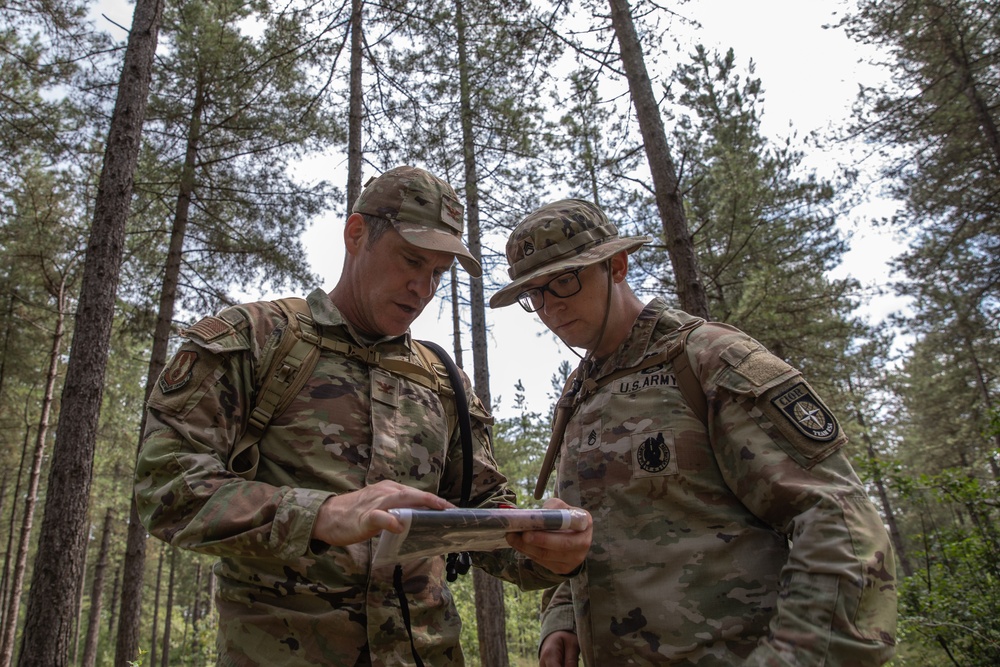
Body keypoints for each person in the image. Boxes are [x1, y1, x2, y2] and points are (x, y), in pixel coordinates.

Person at [134, 167, 592, 667]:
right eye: (411, 259)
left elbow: (483, 519)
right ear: (356, 234)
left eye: (438, 273)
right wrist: (322, 515)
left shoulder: (443, 380)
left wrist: (546, 551)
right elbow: (166, 488)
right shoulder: (259, 339)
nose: (422, 288)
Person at [489, 199, 897, 666]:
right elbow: (594, 530)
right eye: (534, 293)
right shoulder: (580, 393)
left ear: (617, 266)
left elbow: (841, 525)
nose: (550, 307)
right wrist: (562, 618)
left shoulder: (710, 360)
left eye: (565, 280)